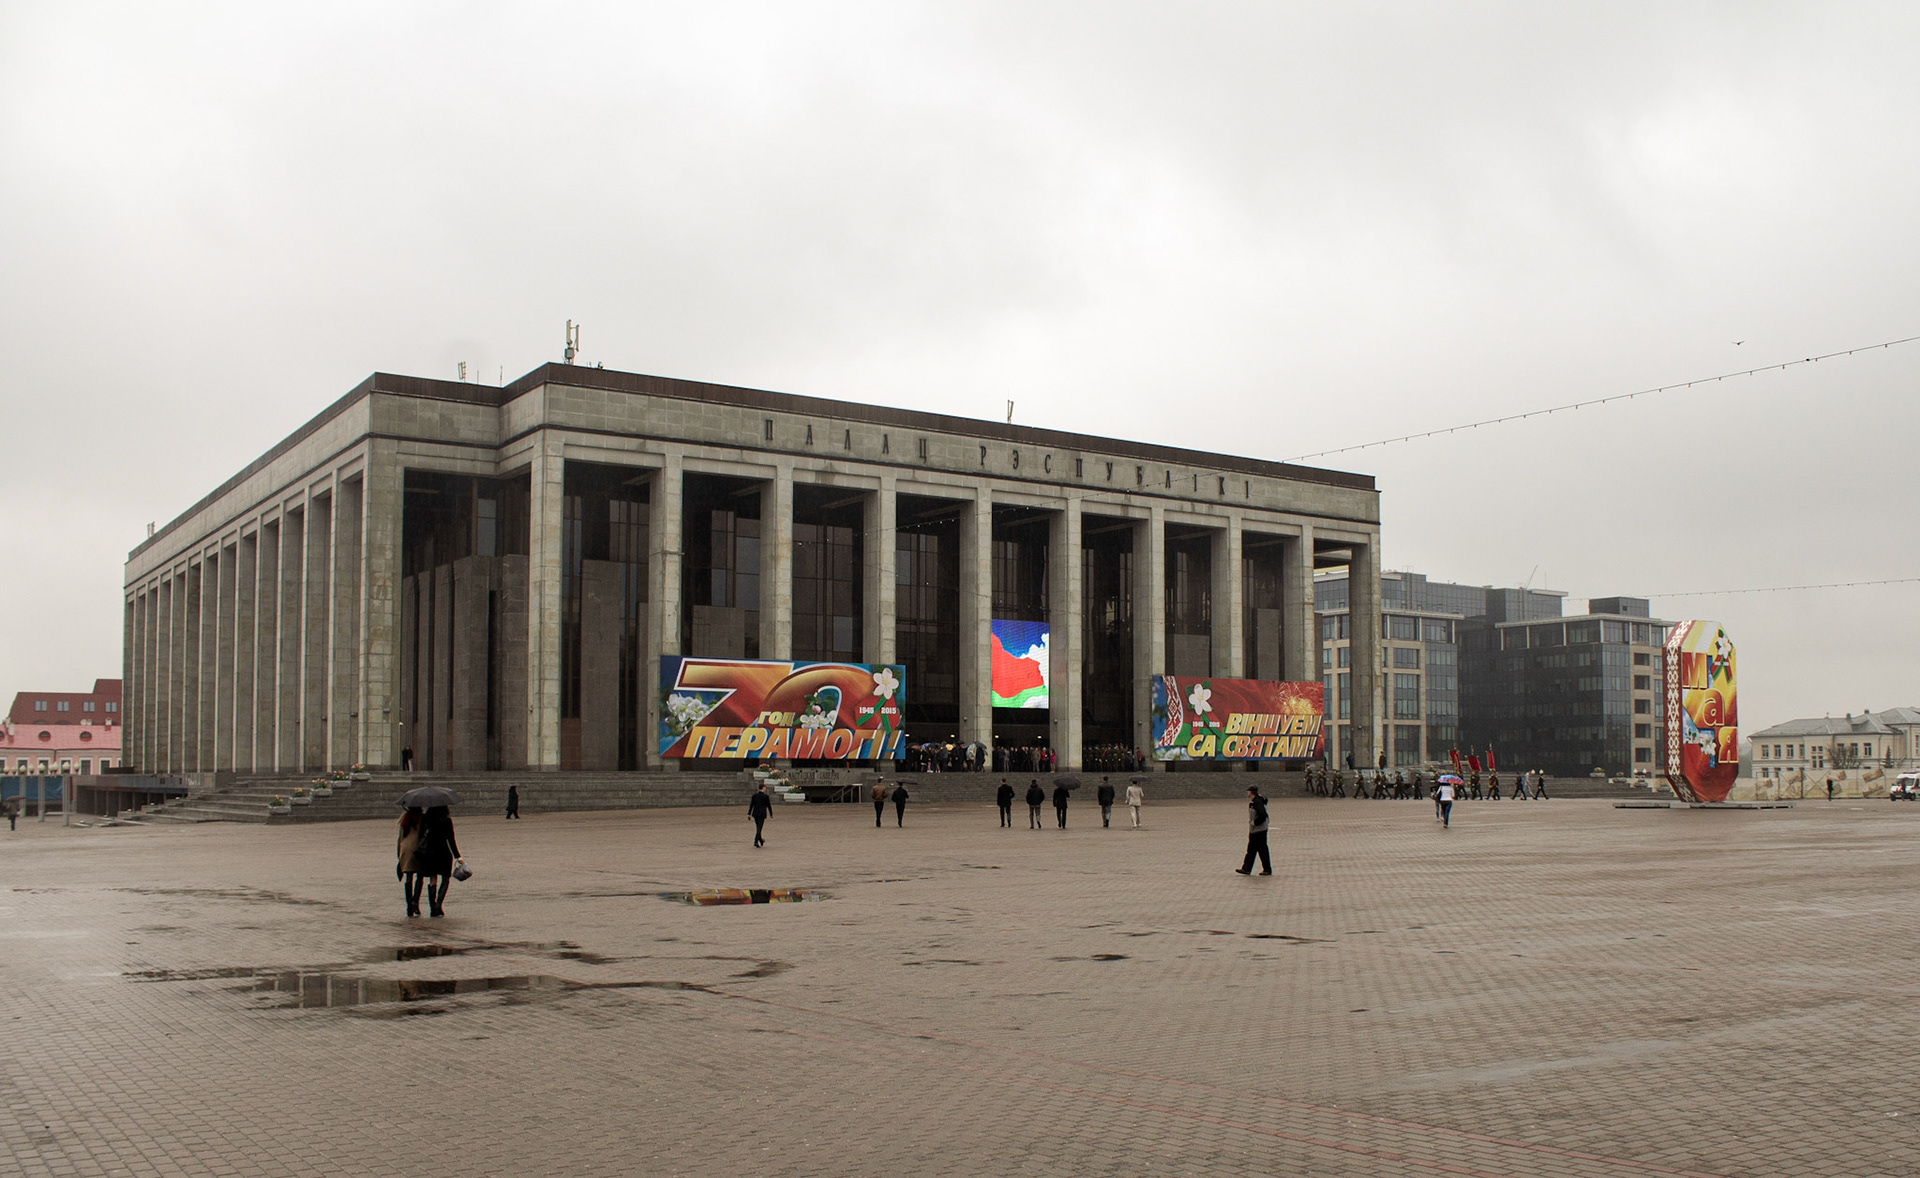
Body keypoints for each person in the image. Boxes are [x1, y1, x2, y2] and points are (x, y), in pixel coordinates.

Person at [413, 805, 463, 917]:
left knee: (433, 878)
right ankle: (438, 904)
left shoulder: (426, 818)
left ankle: (432, 906)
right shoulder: (447, 820)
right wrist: (457, 856)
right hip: (443, 852)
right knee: (445, 878)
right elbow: (451, 839)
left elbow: (420, 836)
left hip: (429, 852)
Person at [1235, 787, 1271, 875]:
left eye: (1248, 791)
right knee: (1253, 850)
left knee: (1260, 850)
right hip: (1258, 830)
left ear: (1251, 792)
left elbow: (1263, 815)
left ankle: (1265, 869)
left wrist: (1254, 823)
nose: (1247, 793)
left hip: (1258, 831)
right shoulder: (1257, 800)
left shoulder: (1257, 802)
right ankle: (1247, 868)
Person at [396, 806, 424, 916]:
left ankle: (409, 905)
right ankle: (415, 903)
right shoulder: (422, 818)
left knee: (408, 877)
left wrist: (399, 855)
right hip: (418, 849)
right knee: (420, 876)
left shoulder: (404, 818)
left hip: (405, 850)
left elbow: (400, 837)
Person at [748, 783, 772, 847]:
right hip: (762, 813)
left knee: (758, 827)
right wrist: (771, 813)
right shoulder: (766, 797)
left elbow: (751, 805)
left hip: (755, 813)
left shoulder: (754, 796)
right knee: (759, 828)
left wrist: (749, 813)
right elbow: (768, 806)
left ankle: (760, 840)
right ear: (763, 788)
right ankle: (756, 841)